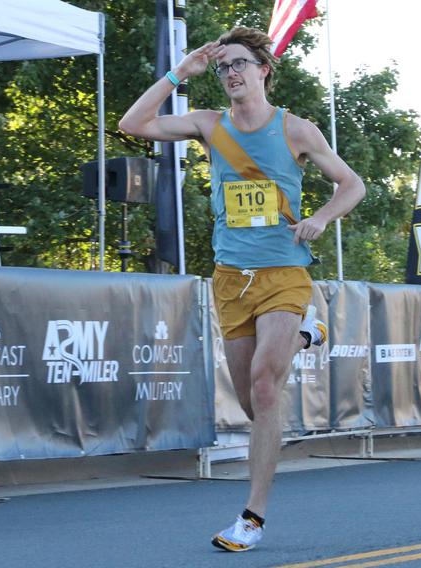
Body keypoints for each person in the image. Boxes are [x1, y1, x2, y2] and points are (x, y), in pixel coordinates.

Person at [119, 26, 365, 552]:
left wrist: (321, 217)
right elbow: (132, 123)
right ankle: (310, 334)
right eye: (224, 66)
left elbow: (353, 184)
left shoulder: (297, 130)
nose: (231, 73)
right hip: (231, 278)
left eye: (240, 64)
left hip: (283, 273)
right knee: (258, 408)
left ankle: (251, 518)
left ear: (263, 71)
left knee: (263, 385)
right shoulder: (208, 125)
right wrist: (178, 74)